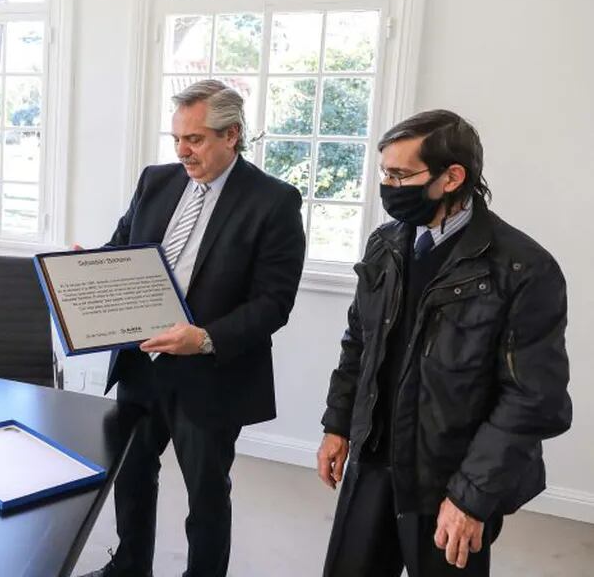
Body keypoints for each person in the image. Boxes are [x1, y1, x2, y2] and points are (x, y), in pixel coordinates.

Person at [316, 110, 572, 576]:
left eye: (399, 174)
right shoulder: (385, 245)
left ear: (452, 177)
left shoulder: (522, 268)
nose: (387, 186)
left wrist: (470, 497)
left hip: (451, 477)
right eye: (383, 173)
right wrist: (337, 424)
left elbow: (533, 399)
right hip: (374, 457)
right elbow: (359, 342)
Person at [79, 79, 306, 577]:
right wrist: (87, 268)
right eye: (177, 138)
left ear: (233, 135)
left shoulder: (274, 201)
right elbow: (122, 251)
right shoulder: (155, 181)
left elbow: (274, 303)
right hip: (141, 362)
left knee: (206, 491)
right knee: (132, 475)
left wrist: (202, 338)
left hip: (210, 373)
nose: (183, 150)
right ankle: (130, 567)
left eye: (196, 139)